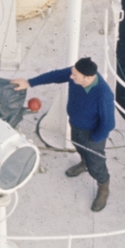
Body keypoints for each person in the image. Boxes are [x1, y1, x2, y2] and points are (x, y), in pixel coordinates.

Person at [10, 57, 114, 211]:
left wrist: (94, 139)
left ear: (89, 78)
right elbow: (55, 75)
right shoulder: (75, 74)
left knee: (97, 165)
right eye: (72, 73)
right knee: (78, 147)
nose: (70, 77)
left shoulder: (103, 94)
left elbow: (109, 123)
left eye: (74, 76)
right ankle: (84, 163)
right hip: (76, 125)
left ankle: (103, 187)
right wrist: (29, 82)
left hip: (92, 134)